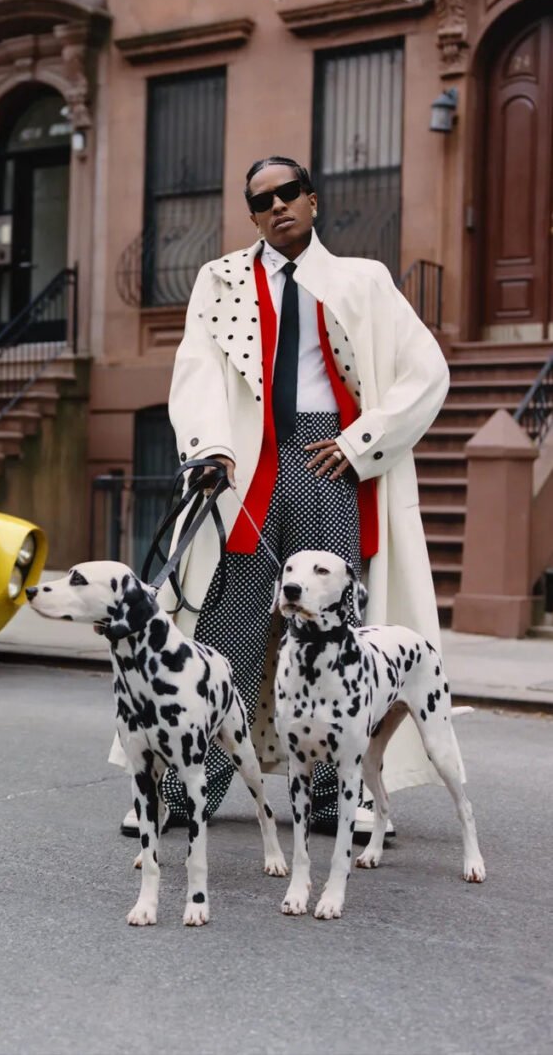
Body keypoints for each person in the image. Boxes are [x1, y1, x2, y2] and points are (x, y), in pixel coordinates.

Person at [113, 155, 450, 839]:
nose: (277, 207)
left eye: (288, 192)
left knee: (335, 637)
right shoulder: (222, 278)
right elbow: (199, 366)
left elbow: (427, 372)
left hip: (330, 463)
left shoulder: (363, 280)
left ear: (314, 199)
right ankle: (184, 791)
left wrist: (361, 443)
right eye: (261, 201)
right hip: (248, 463)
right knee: (224, 630)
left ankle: (332, 796)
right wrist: (210, 446)